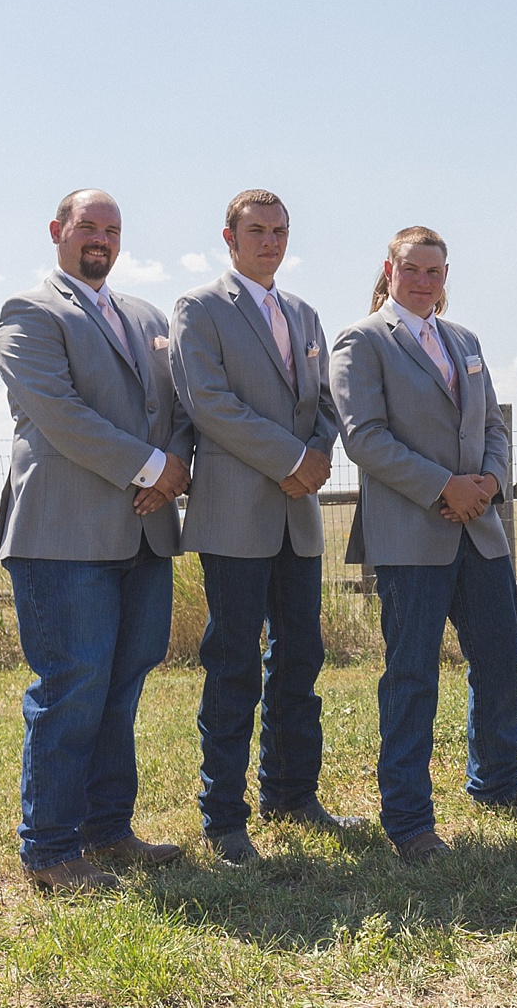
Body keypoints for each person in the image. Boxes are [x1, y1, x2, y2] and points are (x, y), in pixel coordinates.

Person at [328, 225, 517, 863]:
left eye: (436, 271)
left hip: (479, 530)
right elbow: (364, 437)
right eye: (414, 269)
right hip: (411, 534)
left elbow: (491, 421)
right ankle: (408, 818)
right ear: (390, 269)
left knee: (498, 659)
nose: (426, 281)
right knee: (412, 675)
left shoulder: (466, 341)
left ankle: (497, 782)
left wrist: (486, 480)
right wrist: (442, 488)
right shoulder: (363, 340)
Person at [0, 189, 194, 891]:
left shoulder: (146, 317)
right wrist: (150, 467)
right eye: (87, 227)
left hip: (144, 532)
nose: (100, 239)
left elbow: (178, 408)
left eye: (112, 229)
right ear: (57, 231)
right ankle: (49, 850)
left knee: (121, 686)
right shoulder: (29, 313)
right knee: (72, 687)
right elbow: (59, 414)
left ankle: (108, 833)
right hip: (62, 533)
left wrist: (172, 471)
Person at [170, 190, 351, 865]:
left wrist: (320, 454)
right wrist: (290, 458)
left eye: (279, 230)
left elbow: (326, 401)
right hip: (234, 516)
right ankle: (223, 816)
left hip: (297, 517)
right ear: (229, 236)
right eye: (256, 231)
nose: (269, 241)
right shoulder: (200, 308)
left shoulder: (303, 313)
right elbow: (208, 403)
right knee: (234, 664)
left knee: (301, 660)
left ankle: (292, 793)